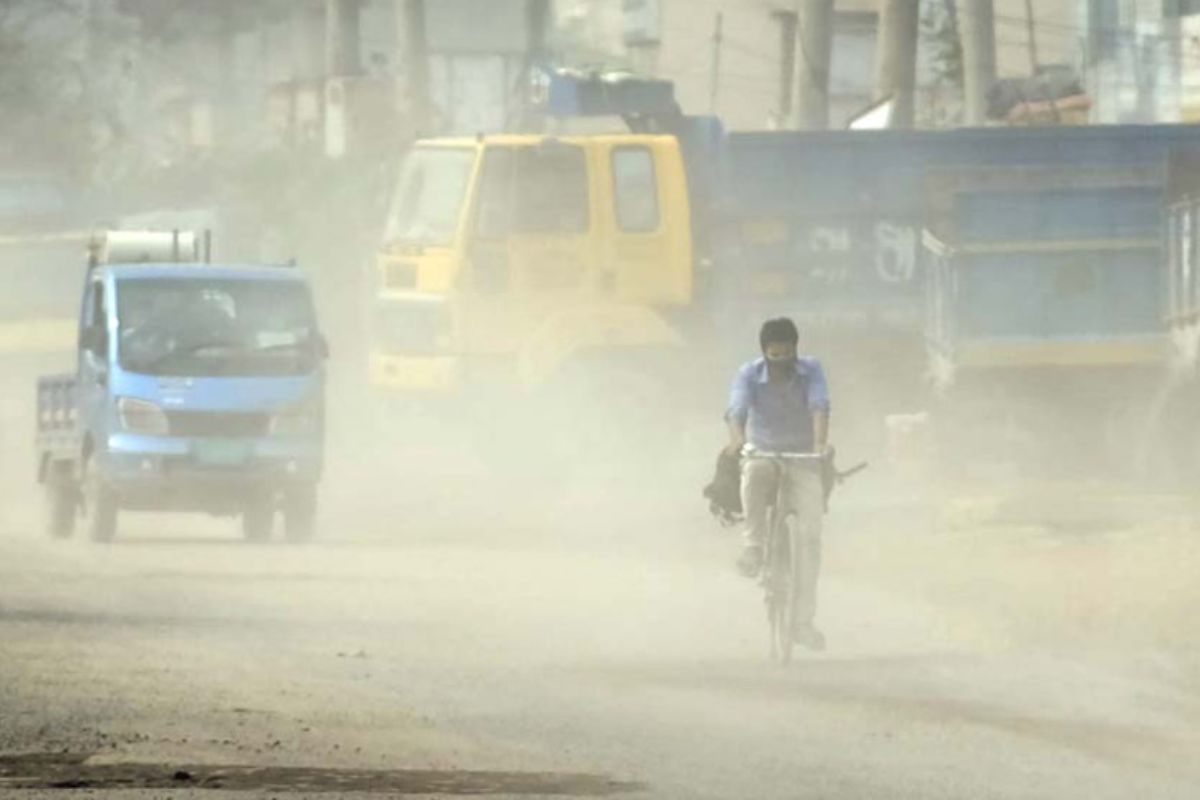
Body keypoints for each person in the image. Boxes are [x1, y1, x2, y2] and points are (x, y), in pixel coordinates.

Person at [725, 317, 831, 651]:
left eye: (787, 355)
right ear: (764, 353)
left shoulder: (811, 370)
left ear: (795, 351)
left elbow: (819, 406)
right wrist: (738, 441)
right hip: (764, 452)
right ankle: (754, 547)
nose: (781, 362)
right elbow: (736, 409)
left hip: (802, 456)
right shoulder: (748, 374)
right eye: (775, 356)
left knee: (811, 538)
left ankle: (802, 623)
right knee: (754, 473)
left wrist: (819, 444)